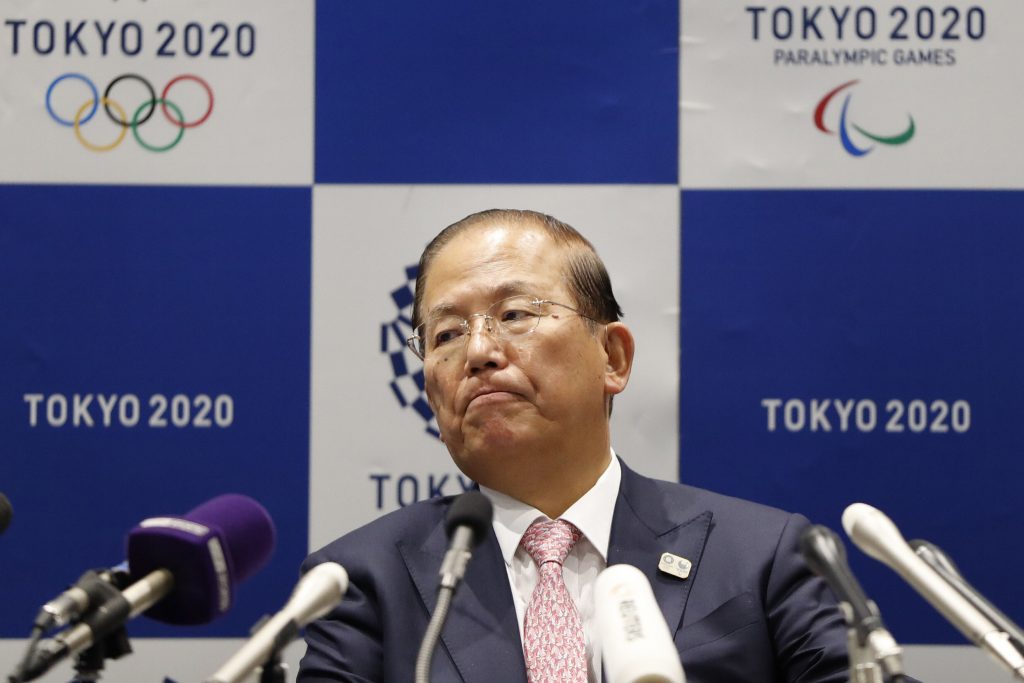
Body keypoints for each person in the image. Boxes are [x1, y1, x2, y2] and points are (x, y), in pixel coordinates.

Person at [298, 209, 850, 682]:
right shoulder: (362, 580)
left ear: (613, 358)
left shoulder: (764, 555)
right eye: (446, 334)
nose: (480, 351)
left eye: (515, 315)